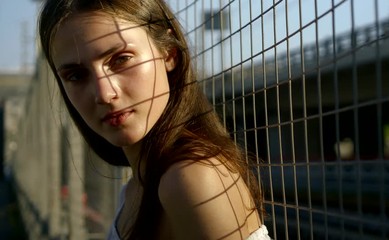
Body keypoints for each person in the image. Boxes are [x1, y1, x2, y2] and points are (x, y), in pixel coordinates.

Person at [38, 0, 271, 239]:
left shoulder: (192, 179)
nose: (104, 94)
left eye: (121, 59)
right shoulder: (137, 186)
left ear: (169, 53)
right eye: (76, 75)